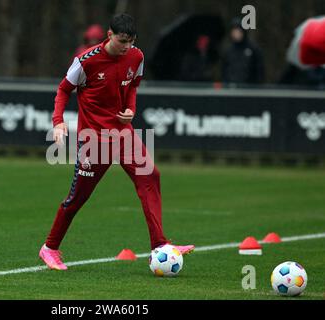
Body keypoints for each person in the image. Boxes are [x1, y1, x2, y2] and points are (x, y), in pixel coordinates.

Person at [39, 13, 195, 271]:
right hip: (94, 140)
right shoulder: (85, 61)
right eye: (123, 41)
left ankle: (160, 245)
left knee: (150, 175)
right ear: (109, 35)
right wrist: (58, 121)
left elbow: (132, 86)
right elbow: (63, 90)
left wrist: (131, 110)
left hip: (123, 134)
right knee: (77, 198)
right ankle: (50, 248)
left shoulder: (137, 56)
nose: (127, 46)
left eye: (131, 41)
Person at [222, 18, 264, 84]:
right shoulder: (228, 51)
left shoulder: (253, 49)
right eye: (234, 31)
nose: (236, 34)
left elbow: (259, 71)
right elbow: (224, 71)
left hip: (249, 89)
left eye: (238, 31)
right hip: (232, 88)